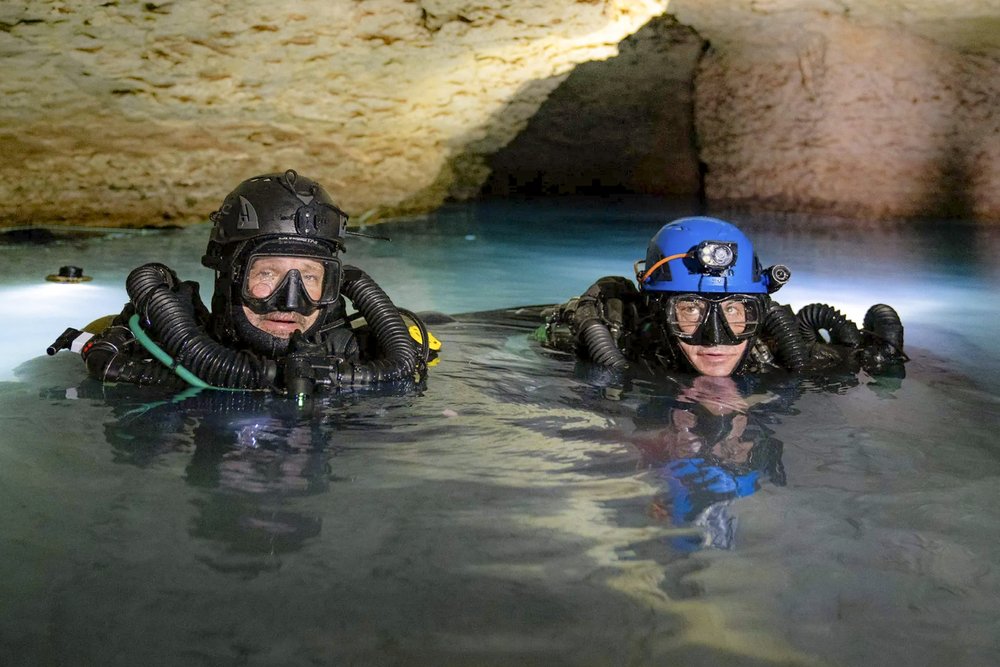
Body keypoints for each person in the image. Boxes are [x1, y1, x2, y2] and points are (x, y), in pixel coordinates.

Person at [51, 169, 435, 396]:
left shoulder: (375, 358)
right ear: (228, 275)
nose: (291, 301)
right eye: (267, 274)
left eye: (312, 277)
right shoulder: (145, 347)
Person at [540, 216, 907, 378]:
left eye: (735, 309)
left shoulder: (777, 353)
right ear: (656, 310)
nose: (717, 339)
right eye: (689, 308)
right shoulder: (616, 346)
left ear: (760, 310)